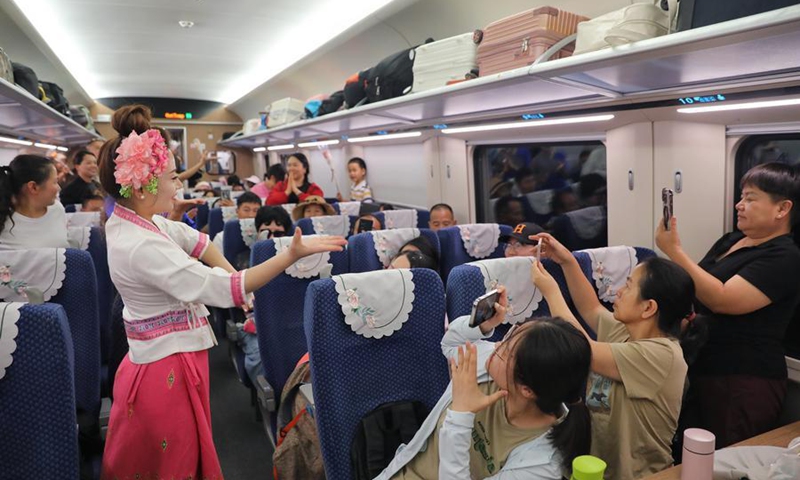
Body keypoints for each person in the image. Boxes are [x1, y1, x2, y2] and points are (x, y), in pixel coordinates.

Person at [96, 104, 346, 479]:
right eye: (171, 177)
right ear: (145, 185)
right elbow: (224, 289)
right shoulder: (140, 245)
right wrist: (289, 255)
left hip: (167, 356)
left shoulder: (137, 223)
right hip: (165, 367)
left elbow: (198, 242)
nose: (178, 185)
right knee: (175, 464)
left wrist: (233, 272)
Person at [531, 233, 705, 480]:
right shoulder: (626, 331)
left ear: (648, 308)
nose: (619, 291)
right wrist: (567, 261)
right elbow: (590, 307)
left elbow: (581, 348)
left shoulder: (664, 355)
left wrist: (550, 291)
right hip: (597, 469)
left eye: (629, 285)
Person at [377, 287, 592, 480]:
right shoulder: (488, 368)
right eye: (508, 335)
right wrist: (482, 325)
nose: (496, 345)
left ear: (527, 389)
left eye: (506, 351)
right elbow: (451, 343)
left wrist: (461, 416)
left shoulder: (542, 463)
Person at [655, 162, 800, 448]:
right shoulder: (732, 241)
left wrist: (674, 251)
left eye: (750, 198)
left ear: (782, 209)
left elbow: (722, 299)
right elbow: (696, 285)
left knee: (726, 459)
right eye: (741, 196)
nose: (739, 205)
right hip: (705, 368)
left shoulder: (786, 257)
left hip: (743, 379)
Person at [0, 155, 70, 250]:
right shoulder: (3, 218)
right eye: (54, 182)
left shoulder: (57, 209)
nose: (59, 188)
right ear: (33, 187)